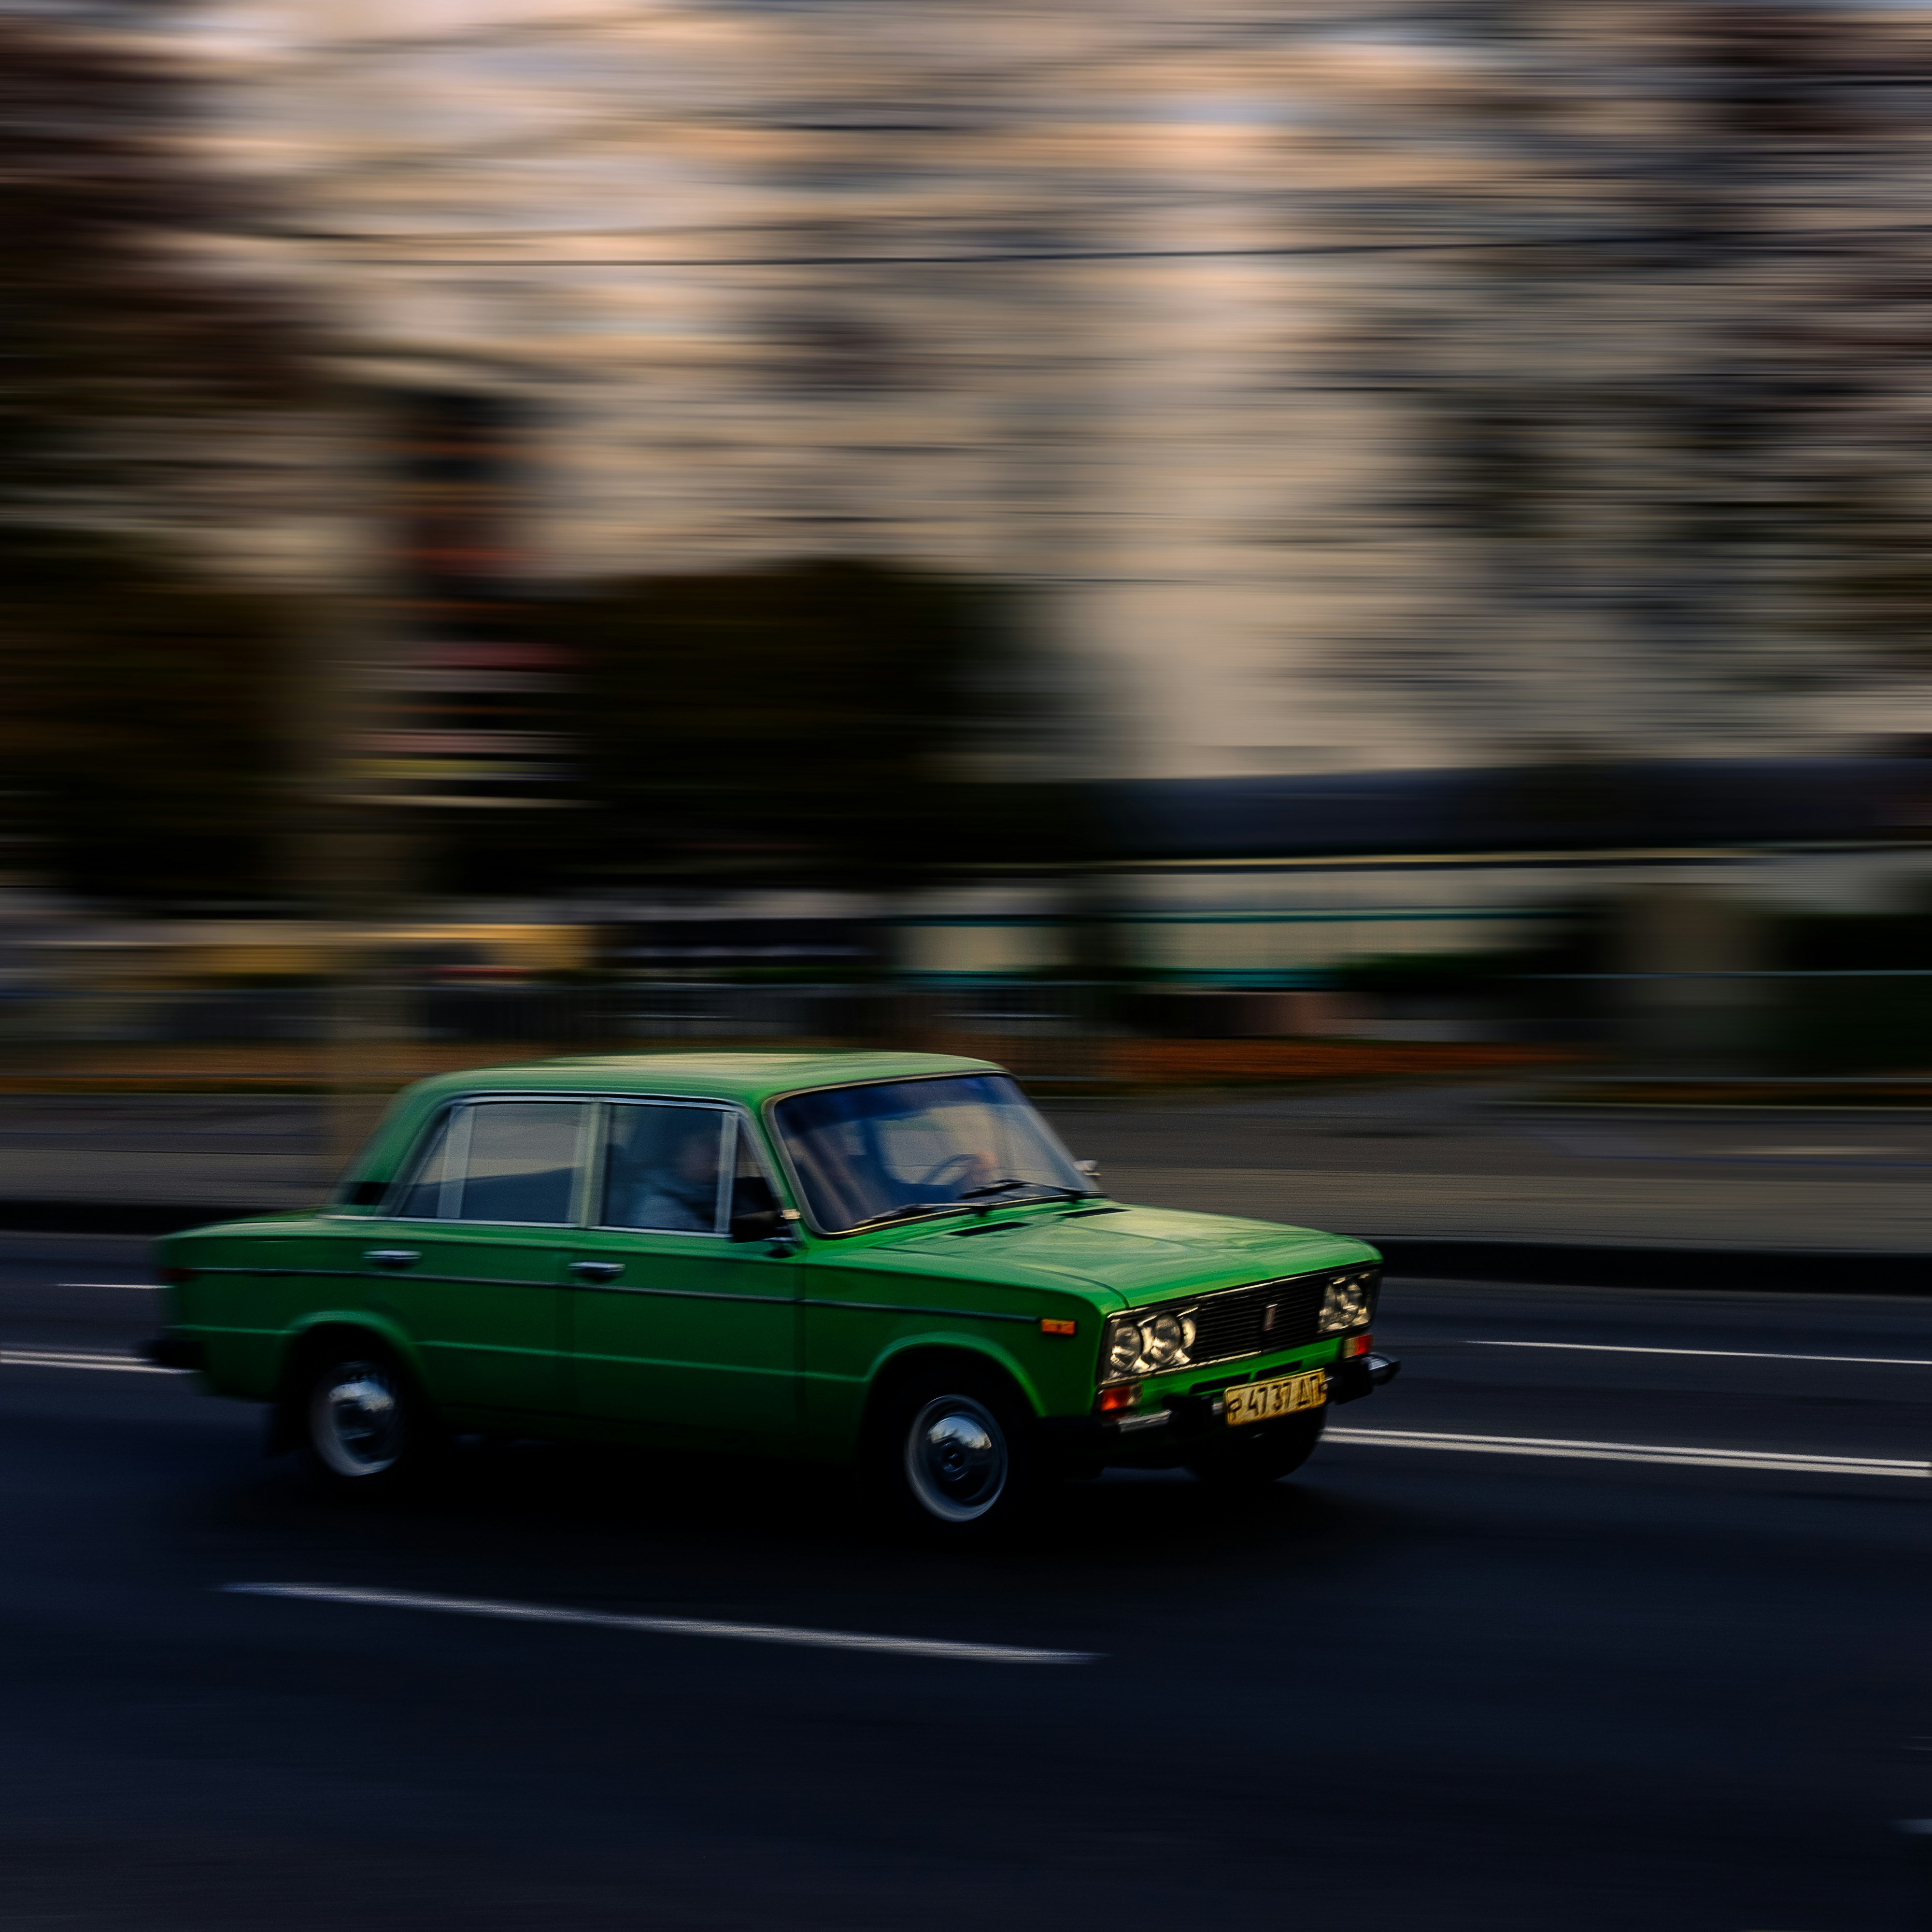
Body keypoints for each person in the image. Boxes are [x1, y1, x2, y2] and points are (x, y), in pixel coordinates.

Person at [611, 1112, 721, 1232]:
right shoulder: (658, 1209)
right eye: (704, 1141)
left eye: (715, 1141)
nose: (716, 1150)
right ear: (677, 1151)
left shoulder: (698, 1192)